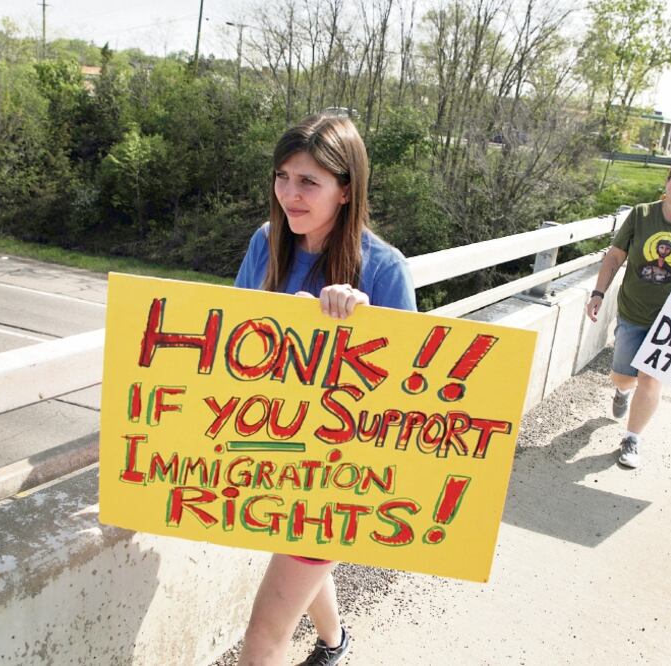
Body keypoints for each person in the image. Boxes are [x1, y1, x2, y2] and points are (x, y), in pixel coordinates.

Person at [233, 114, 416, 666]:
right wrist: (275, 320)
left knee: (263, 636)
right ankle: (335, 644)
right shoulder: (267, 242)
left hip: (337, 474)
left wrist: (365, 328)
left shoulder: (383, 268)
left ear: (345, 190)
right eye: (282, 176)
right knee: (300, 572)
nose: (290, 194)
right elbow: (230, 342)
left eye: (309, 181)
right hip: (274, 456)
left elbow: (406, 397)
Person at [586, 158, 671, 469]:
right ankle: (622, 391)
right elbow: (615, 255)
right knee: (624, 375)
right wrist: (598, 293)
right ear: (667, 182)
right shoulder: (642, 214)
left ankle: (632, 438)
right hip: (633, 310)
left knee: (651, 377)